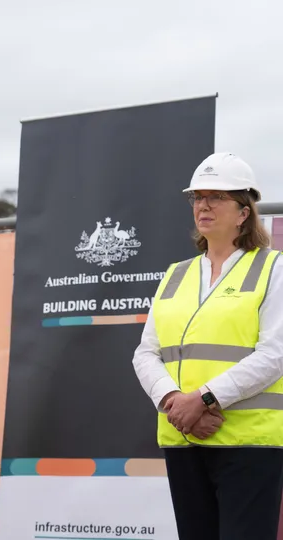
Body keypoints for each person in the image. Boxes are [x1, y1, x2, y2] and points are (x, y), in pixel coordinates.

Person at [132, 152, 283, 540]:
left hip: (249, 442)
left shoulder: (274, 268)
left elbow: (275, 354)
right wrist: (174, 402)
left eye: (217, 196)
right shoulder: (176, 274)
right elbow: (146, 353)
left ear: (244, 212)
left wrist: (202, 399)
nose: (204, 205)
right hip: (184, 436)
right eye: (198, 197)